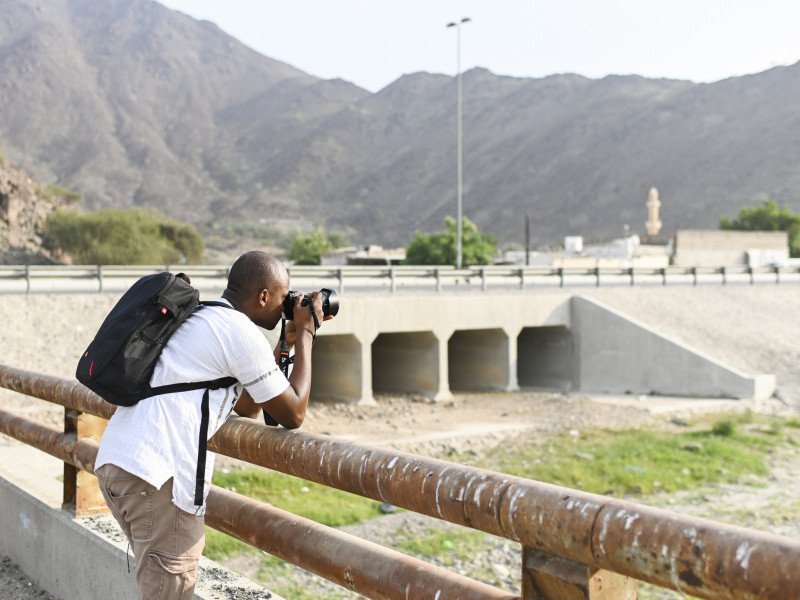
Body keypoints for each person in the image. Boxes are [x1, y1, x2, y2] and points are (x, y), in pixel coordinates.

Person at [94, 250, 329, 599]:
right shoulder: (239, 332)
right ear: (263, 296)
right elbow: (292, 413)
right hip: (159, 481)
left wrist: (286, 343)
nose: (285, 307)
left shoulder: (201, 317)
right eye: (283, 298)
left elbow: (249, 405)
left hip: (120, 466)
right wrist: (308, 334)